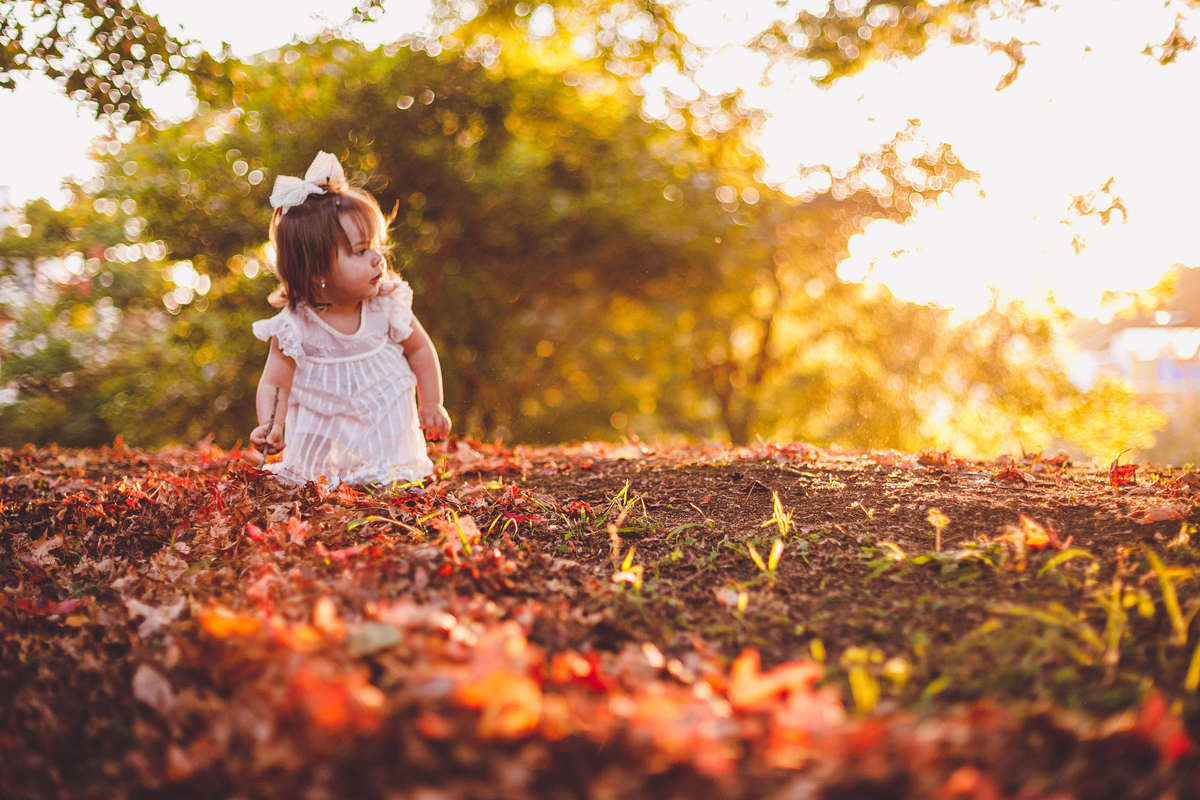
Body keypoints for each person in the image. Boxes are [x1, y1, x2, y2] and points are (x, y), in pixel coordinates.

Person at [248, 151, 451, 487]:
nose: (377, 259)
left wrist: (432, 402)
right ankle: (327, 480)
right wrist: (271, 424)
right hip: (322, 451)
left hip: (386, 438)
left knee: (387, 479)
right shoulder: (296, 325)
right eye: (360, 251)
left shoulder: (387, 305)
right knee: (318, 480)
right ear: (316, 272)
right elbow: (275, 383)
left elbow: (419, 350)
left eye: (375, 247)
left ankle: (383, 474)